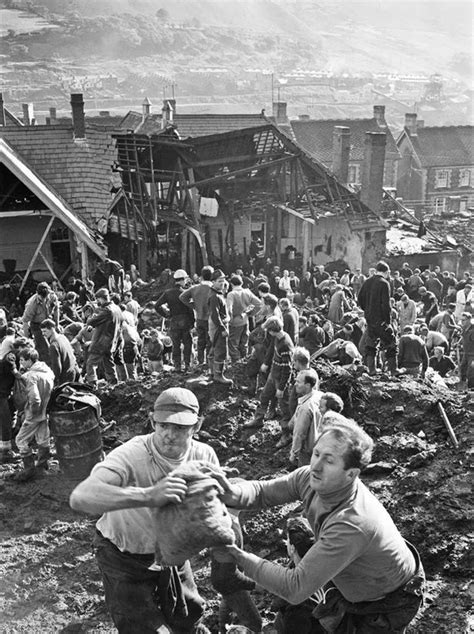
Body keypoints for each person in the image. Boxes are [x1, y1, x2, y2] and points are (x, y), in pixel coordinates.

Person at [211, 419, 425, 634]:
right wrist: (232, 493)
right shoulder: (309, 478)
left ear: (351, 474)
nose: (316, 465)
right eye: (316, 454)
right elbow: (262, 492)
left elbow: (294, 588)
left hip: (387, 602)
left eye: (329, 461)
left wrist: (235, 554)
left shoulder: (352, 523)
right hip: (350, 580)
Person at [70, 387, 219, 633]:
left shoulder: (204, 456)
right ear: (152, 422)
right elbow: (82, 496)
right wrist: (148, 495)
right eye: (163, 426)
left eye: (180, 428)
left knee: (189, 615)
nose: (169, 435)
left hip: (171, 555)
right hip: (124, 558)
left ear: (197, 426)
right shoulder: (132, 455)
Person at [244, 317, 294, 445]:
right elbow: (271, 349)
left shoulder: (285, 345)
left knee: (284, 406)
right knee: (265, 395)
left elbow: (287, 369)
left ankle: (286, 433)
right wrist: (266, 363)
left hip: (281, 377)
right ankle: (258, 419)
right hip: (274, 372)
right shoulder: (276, 338)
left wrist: (281, 388)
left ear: (272, 330)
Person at [14, 347, 55, 479]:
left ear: (29, 360)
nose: (21, 363)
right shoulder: (47, 371)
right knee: (43, 438)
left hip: (35, 413)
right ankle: (42, 466)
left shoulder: (31, 376)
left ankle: (29, 469)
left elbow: (35, 397)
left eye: (22, 360)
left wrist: (31, 413)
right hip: (45, 410)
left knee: (20, 440)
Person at [358, 261, 398, 375]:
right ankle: (393, 370)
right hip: (381, 320)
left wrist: (367, 310)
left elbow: (360, 299)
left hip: (370, 320)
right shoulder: (384, 283)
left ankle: (372, 370)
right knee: (391, 343)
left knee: (371, 345)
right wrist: (387, 321)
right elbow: (386, 305)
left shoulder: (367, 282)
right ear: (386, 272)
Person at [155, 270, 194, 373]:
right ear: (183, 280)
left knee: (175, 345)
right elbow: (190, 309)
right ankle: (187, 365)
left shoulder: (168, 293)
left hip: (174, 321)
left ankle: (177, 366)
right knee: (188, 344)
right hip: (185, 321)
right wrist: (193, 322)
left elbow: (157, 305)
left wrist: (166, 315)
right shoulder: (185, 292)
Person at [85, 288, 123, 389]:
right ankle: (113, 382)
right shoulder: (117, 308)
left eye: (98, 300)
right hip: (111, 341)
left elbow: (91, 322)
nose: (97, 302)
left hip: (101, 342)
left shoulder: (107, 310)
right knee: (108, 362)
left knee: (91, 363)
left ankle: (92, 384)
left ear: (101, 299)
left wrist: (92, 314)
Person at [179, 265, 214, 368]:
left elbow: (182, 297)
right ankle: (209, 362)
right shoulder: (213, 288)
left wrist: (193, 306)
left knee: (200, 340)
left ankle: (200, 361)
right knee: (210, 341)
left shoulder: (195, 288)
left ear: (202, 276)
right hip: (211, 319)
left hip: (199, 318)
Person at [288, 369, 322, 466]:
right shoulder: (320, 396)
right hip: (319, 446)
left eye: (298, 382)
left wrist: (293, 454)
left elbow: (300, 434)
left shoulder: (305, 408)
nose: (295, 384)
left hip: (308, 452)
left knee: (304, 477)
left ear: (307, 385)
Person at [225, 274, 262, 363]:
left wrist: (229, 319)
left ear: (231, 284)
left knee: (233, 344)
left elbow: (229, 309)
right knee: (244, 343)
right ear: (241, 283)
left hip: (235, 321)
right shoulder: (247, 292)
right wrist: (251, 314)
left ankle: (236, 364)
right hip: (245, 320)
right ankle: (244, 362)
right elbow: (259, 304)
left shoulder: (231, 294)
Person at [22, 282, 60, 363]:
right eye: (41, 298)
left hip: (49, 322)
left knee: (57, 342)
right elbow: (25, 322)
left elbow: (56, 309)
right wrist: (26, 338)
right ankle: (50, 367)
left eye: (45, 298)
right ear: (37, 293)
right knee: (45, 348)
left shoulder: (52, 296)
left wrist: (57, 325)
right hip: (37, 326)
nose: (43, 300)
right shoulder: (31, 304)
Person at [208, 269, 233, 385]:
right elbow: (214, 314)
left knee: (215, 348)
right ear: (213, 282)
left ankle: (213, 372)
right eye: (219, 281)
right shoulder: (214, 296)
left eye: (223, 281)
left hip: (219, 324)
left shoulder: (218, 294)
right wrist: (222, 328)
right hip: (218, 326)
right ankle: (218, 375)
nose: (222, 283)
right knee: (221, 350)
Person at [40, 319, 80, 384]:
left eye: (45, 331)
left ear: (52, 329)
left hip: (67, 377)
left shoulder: (53, 346)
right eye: (42, 331)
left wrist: (54, 381)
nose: (43, 334)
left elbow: (57, 368)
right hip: (75, 370)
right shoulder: (62, 337)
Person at [459, 312, 474, 389]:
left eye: (464, 320)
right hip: (466, 353)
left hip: (472, 354)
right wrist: (458, 343)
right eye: (461, 320)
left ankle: (471, 388)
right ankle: (463, 387)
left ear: (469, 320)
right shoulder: (464, 328)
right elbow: (463, 337)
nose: (462, 322)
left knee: (471, 371)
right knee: (462, 368)